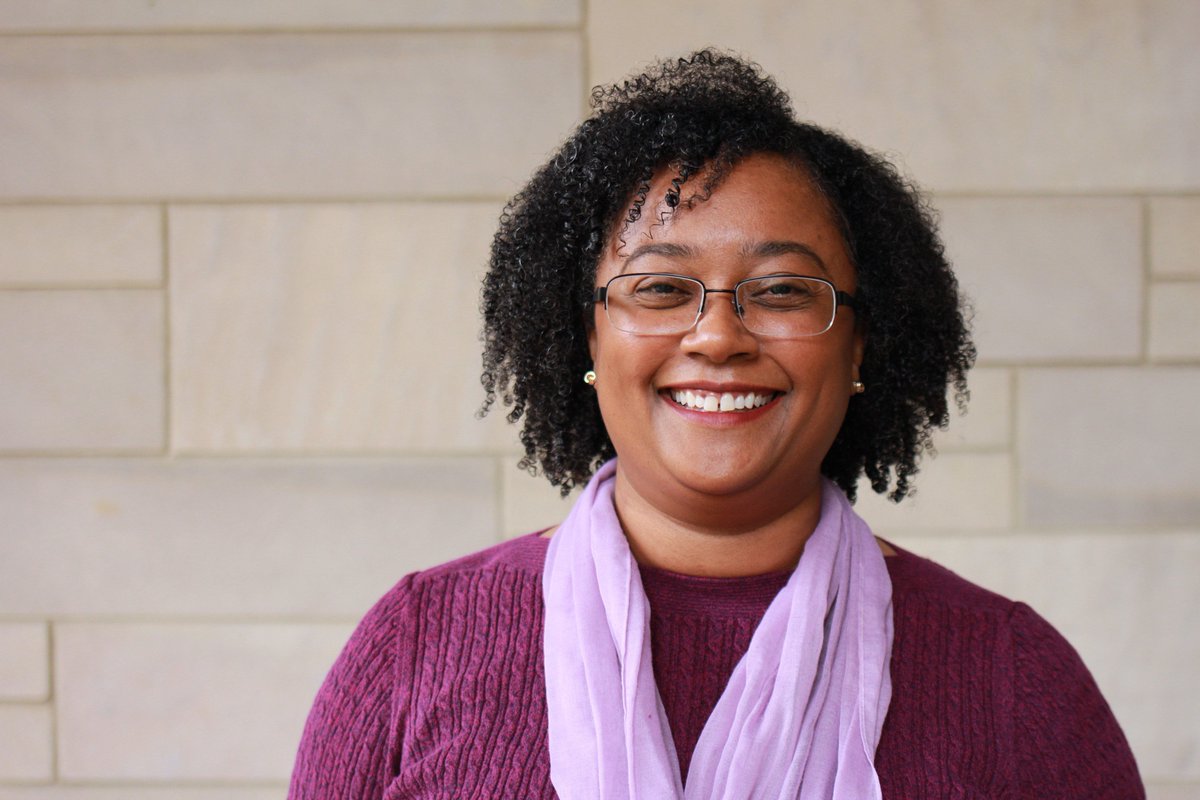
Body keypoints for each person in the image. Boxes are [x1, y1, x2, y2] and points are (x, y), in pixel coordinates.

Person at [288, 50, 1143, 799]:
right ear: (584, 336)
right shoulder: (417, 645)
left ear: (859, 347)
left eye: (781, 292)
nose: (718, 337)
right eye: (659, 289)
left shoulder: (1010, 674)